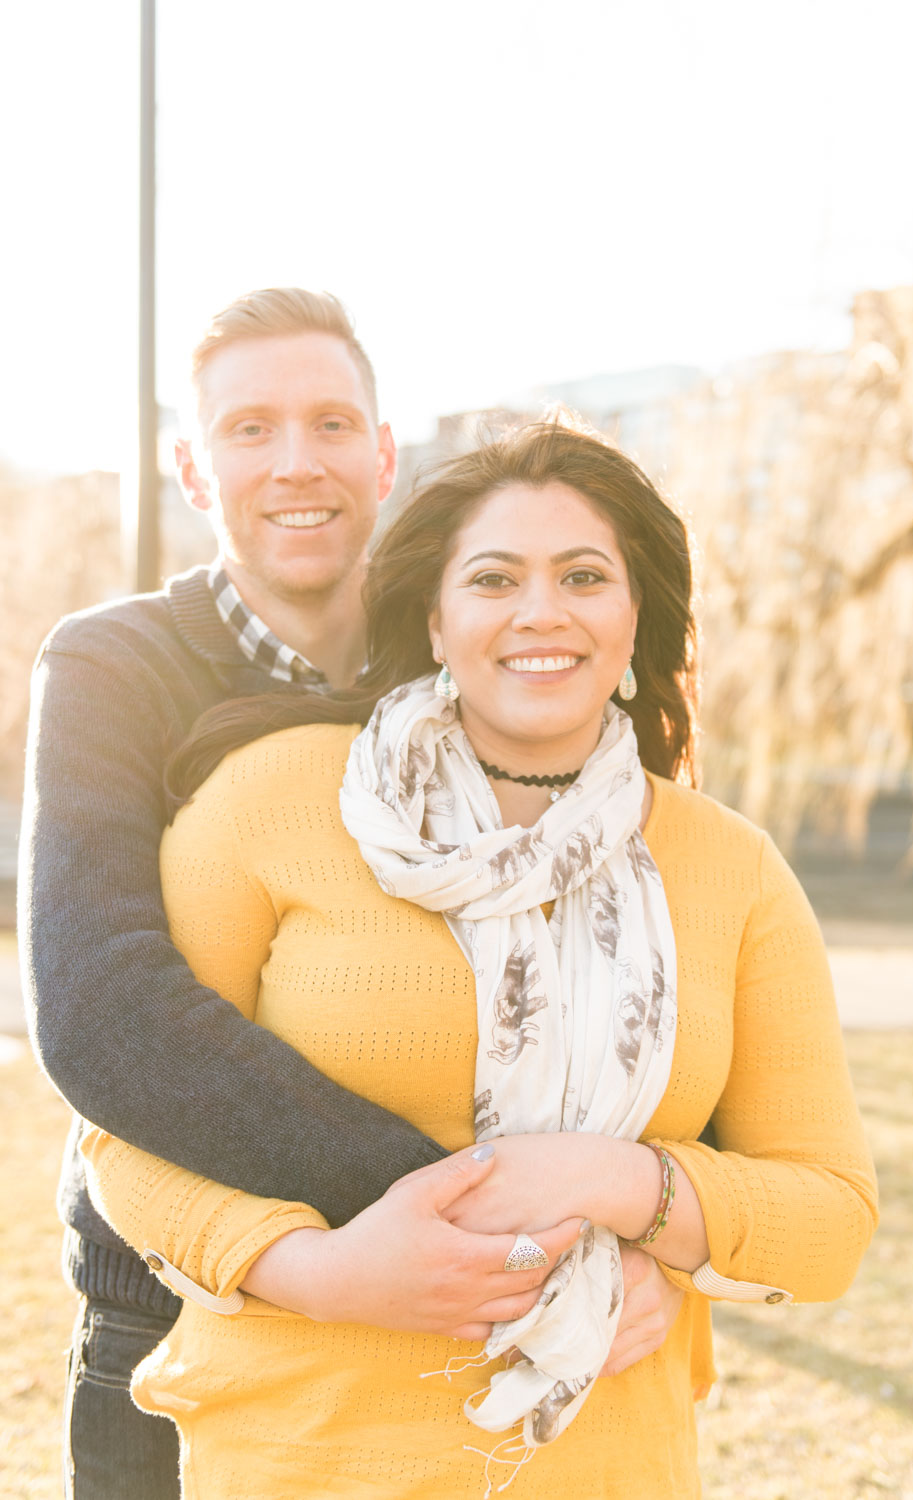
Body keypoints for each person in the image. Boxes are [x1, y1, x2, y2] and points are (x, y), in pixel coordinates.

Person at [78, 418, 878, 1498]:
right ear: (435, 617)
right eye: (494, 578)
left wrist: (619, 1186)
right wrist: (321, 1273)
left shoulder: (728, 866)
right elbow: (126, 1130)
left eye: (584, 576)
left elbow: (826, 1217)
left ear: (635, 618)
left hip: (601, 1466)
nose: (540, 612)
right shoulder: (272, 798)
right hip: (302, 1457)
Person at [19, 290, 672, 1500]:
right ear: (192, 467)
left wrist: (649, 1227)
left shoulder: (477, 646)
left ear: (382, 453)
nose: (295, 463)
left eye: (329, 423)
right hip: (177, 1296)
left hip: (489, 1314)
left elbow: (620, 927)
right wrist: (486, 1222)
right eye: (249, 430)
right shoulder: (113, 667)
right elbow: (103, 1009)